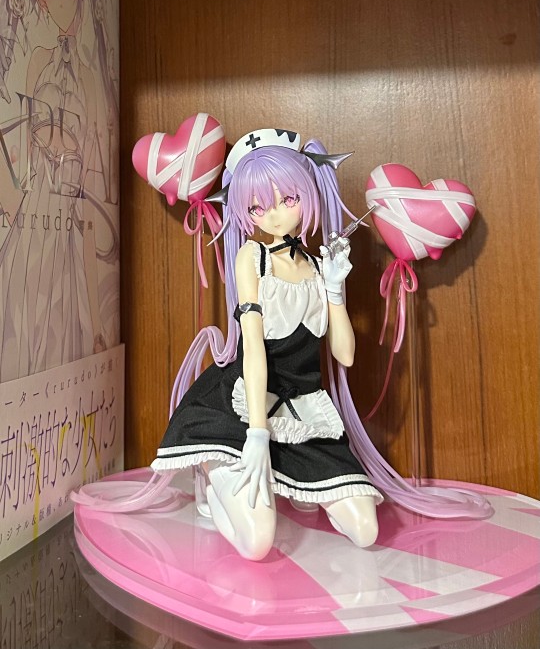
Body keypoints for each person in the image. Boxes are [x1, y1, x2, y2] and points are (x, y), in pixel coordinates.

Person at [73, 126, 492, 560]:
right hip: (243, 407)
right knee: (257, 543)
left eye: (287, 199)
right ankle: (214, 485)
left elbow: (345, 355)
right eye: (258, 206)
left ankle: (271, 484)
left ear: (307, 193)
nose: (274, 216)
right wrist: (257, 434)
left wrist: (334, 291)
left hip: (303, 411)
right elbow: (253, 349)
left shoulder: (318, 265)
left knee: (366, 530)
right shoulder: (251, 258)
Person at [0, 0, 119, 381]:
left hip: (67, 231)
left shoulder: (89, 78)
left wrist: (99, 326)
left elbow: (88, 194)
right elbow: (21, 157)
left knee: (61, 335)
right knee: (22, 333)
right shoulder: (36, 62)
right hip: (31, 227)